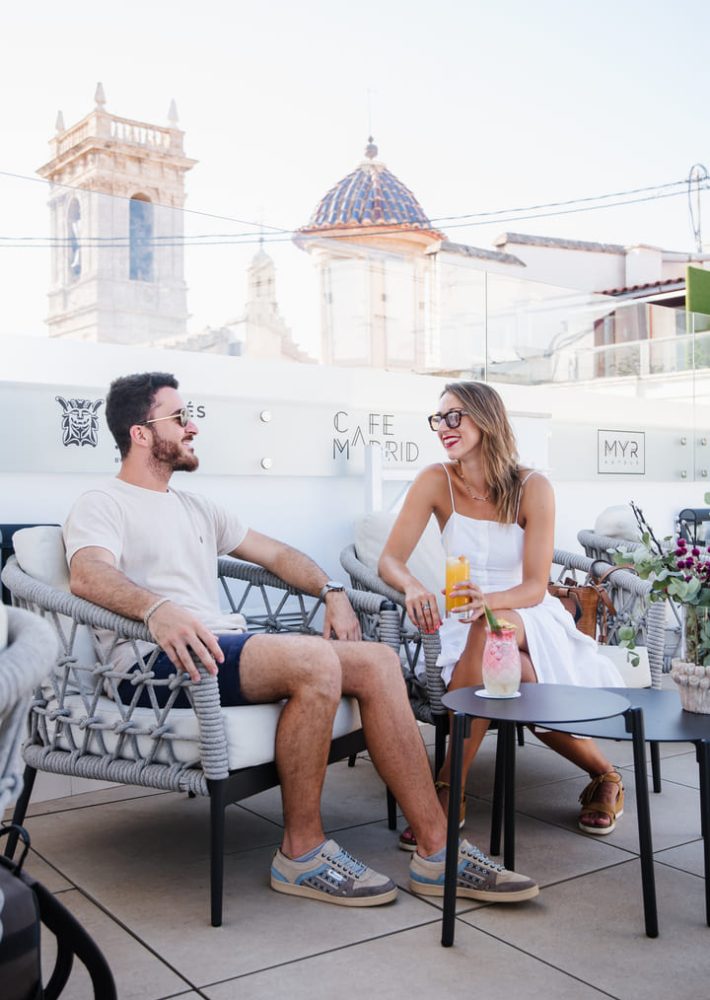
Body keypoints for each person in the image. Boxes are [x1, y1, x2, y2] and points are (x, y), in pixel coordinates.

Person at [63, 372, 539, 908]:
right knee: (316, 660)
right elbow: (87, 575)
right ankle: (301, 852)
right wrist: (156, 609)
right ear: (142, 433)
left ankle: (436, 851)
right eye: (179, 417)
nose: (193, 426)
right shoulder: (102, 501)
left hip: (216, 651)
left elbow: (276, 555)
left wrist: (332, 590)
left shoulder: (195, 507)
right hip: (152, 667)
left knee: (379, 661)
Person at [378, 381, 626, 853]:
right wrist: (412, 585)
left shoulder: (533, 487)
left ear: (486, 419)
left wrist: (486, 602)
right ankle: (605, 775)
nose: (444, 428)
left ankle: (448, 788)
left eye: (456, 416)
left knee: (490, 629)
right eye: (439, 419)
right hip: (464, 620)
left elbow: (535, 586)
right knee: (522, 680)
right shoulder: (436, 480)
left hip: (527, 614)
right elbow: (390, 559)